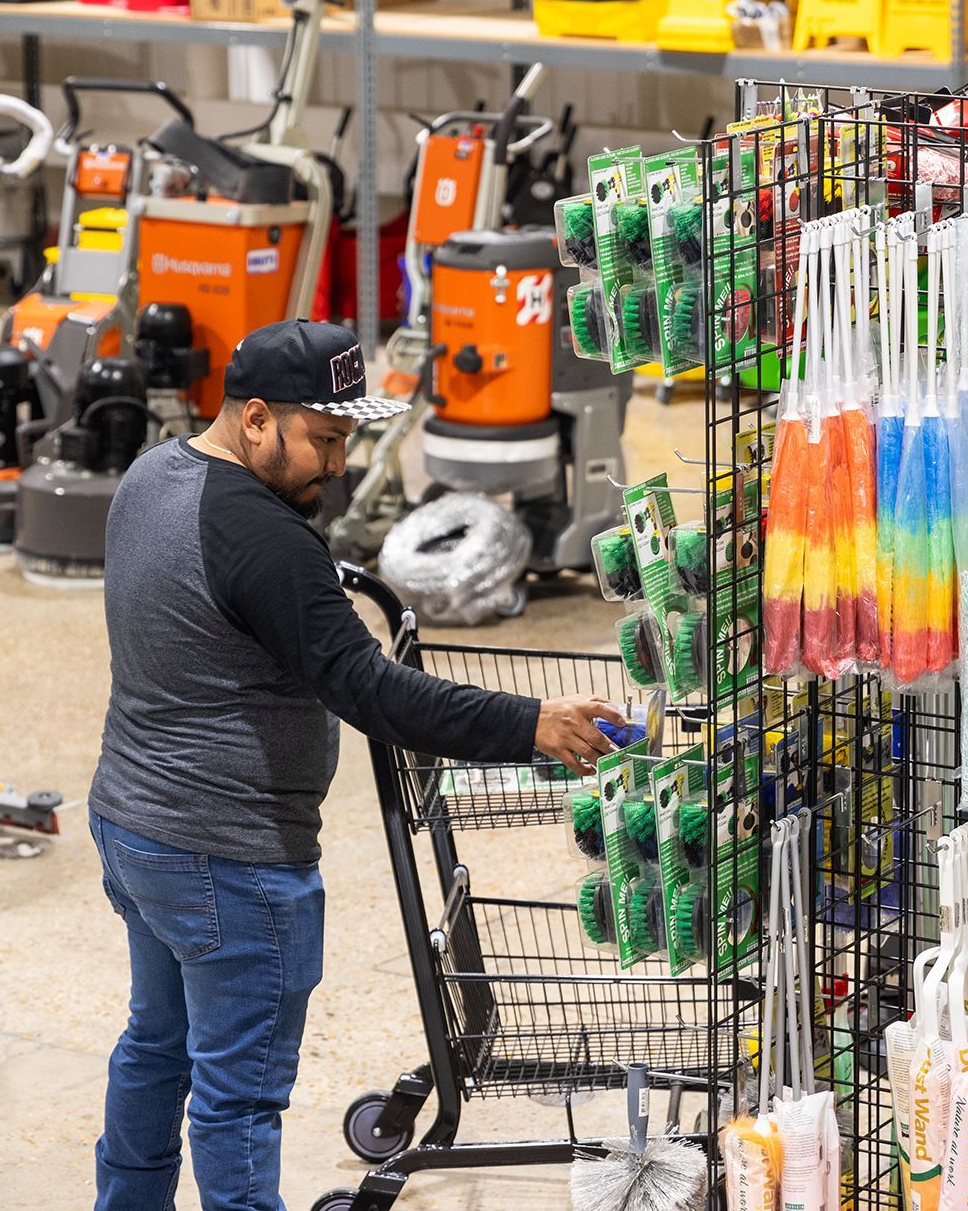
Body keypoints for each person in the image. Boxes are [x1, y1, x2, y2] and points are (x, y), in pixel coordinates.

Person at [86, 319, 619, 1210]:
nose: (337, 465)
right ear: (257, 420)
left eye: (347, 440)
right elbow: (374, 694)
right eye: (324, 441)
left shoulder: (152, 476)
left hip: (136, 828)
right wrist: (534, 722)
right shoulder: (262, 537)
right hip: (231, 858)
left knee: (157, 1042)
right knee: (239, 1096)